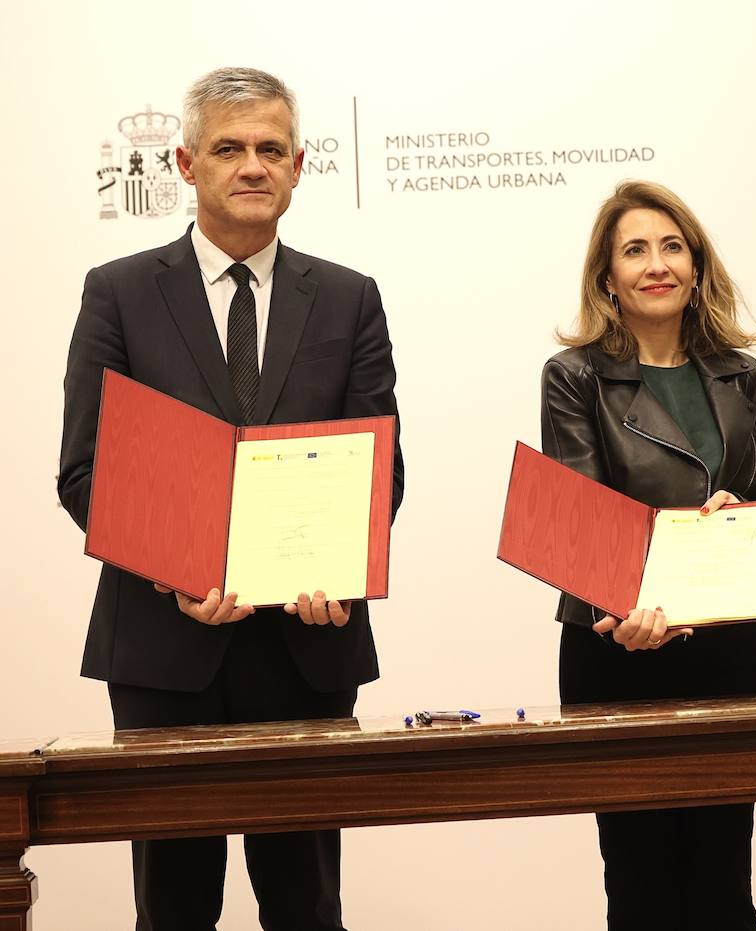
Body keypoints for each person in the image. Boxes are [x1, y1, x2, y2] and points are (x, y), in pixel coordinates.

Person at [58, 67, 404, 931]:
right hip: (164, 648)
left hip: (307, 642)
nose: (252, 166)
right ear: (184, 162)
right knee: (171, 912)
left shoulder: (351, 297)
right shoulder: (120, 292)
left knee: (308, 909)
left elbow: (379, 471)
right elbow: (85, 470)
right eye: (229, 148)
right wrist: (176, 574)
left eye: (270, 149)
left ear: (298, 165)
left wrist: (329, 565)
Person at [541, 180, 756, 930]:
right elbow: (581, 514)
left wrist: (741, 513)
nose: (656, 264)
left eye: (671, 246)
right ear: (607, 277)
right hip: (617, 650)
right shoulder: (575, 377)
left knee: (724, 884)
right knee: (643, 886)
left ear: (695, 266)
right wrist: (617, 606)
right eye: (634, 250)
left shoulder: (740, 375)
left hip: (729, 649)